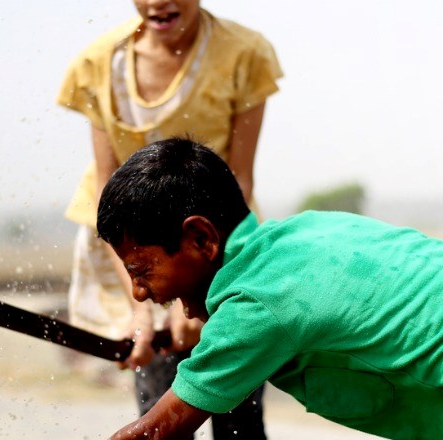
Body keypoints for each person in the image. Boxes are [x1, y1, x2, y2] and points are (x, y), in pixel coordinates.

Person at [98, 138, 443, 440]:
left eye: (142, 270)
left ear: (200, 239)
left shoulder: (257, 304)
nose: (139, 293)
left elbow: (159, 432)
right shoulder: (298, 238)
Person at [56, 0, 281, 437]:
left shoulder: (244, 53)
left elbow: (240, 180)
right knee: (160, 402)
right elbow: (106, 191)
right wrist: (141, 308)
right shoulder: (101, 62)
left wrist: (202, 293)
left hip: (213, 243)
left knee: (238, 406)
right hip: (130, 251)